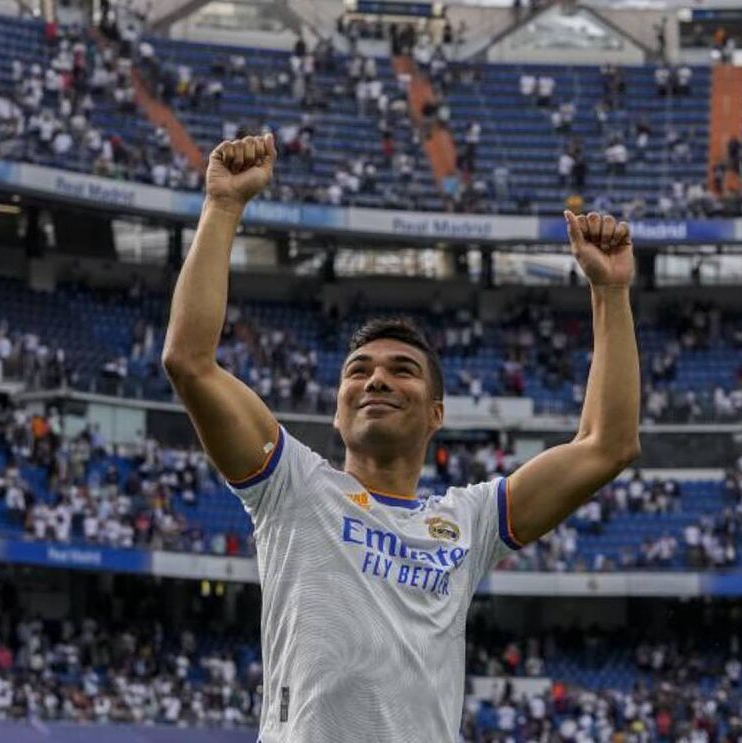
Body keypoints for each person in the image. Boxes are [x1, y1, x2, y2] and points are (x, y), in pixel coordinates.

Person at [161, 133, 641, 741]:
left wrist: (611, 291)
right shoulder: (292, 487)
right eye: (358, 371)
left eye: (401, 370)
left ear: (436, 413)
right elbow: (190, 361)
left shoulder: (469, 521)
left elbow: (607, 444)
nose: (377, 380)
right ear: (337, 412)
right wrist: (223, 207)